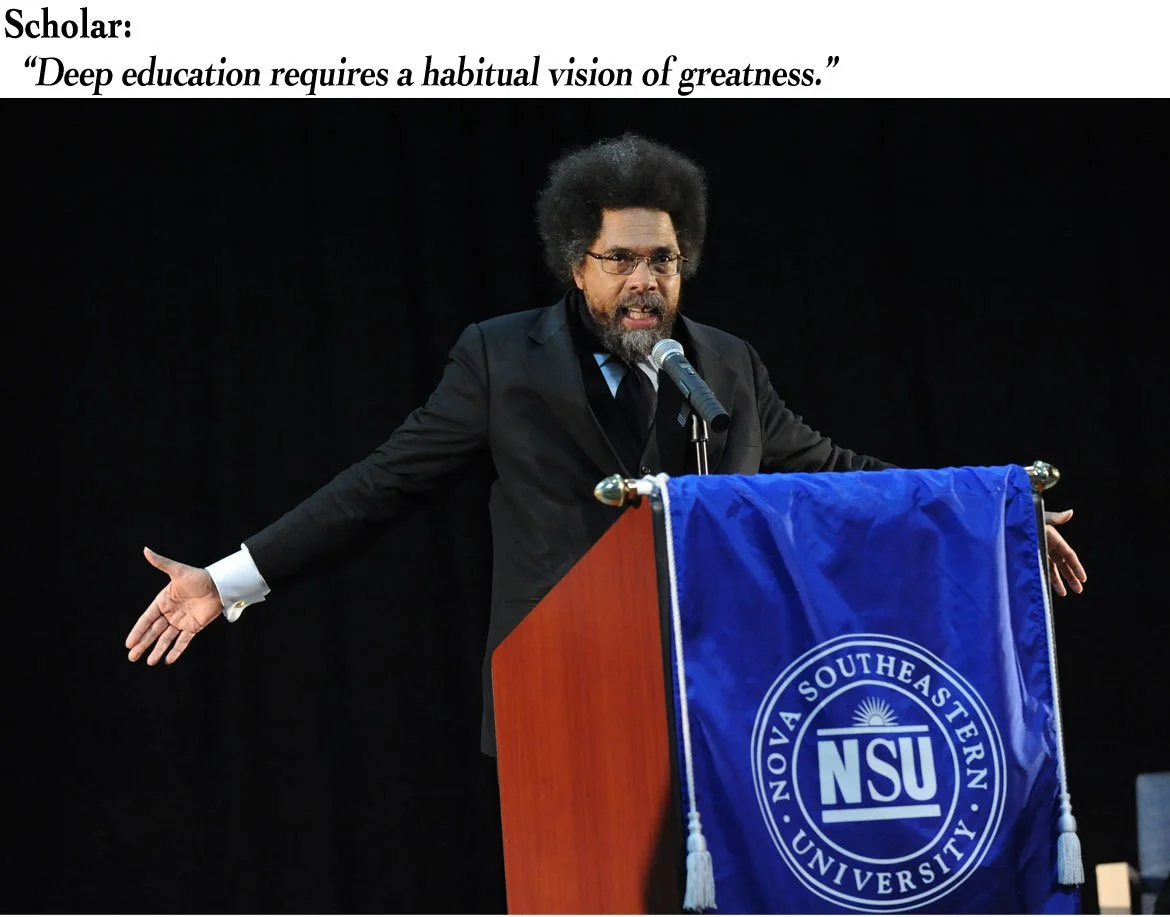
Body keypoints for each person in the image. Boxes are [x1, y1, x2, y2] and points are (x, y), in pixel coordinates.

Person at [125, 132, 1087, 756]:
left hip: (720, 705)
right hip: (564, 706)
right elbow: (382, 484)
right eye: (619, 257)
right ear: (574, 263)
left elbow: (841, 475)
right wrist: (228, 575)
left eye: (661, 258)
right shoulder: (503, 360)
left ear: (686, 264)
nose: (643, 278)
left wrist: (996, 511)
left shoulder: (728, 369)